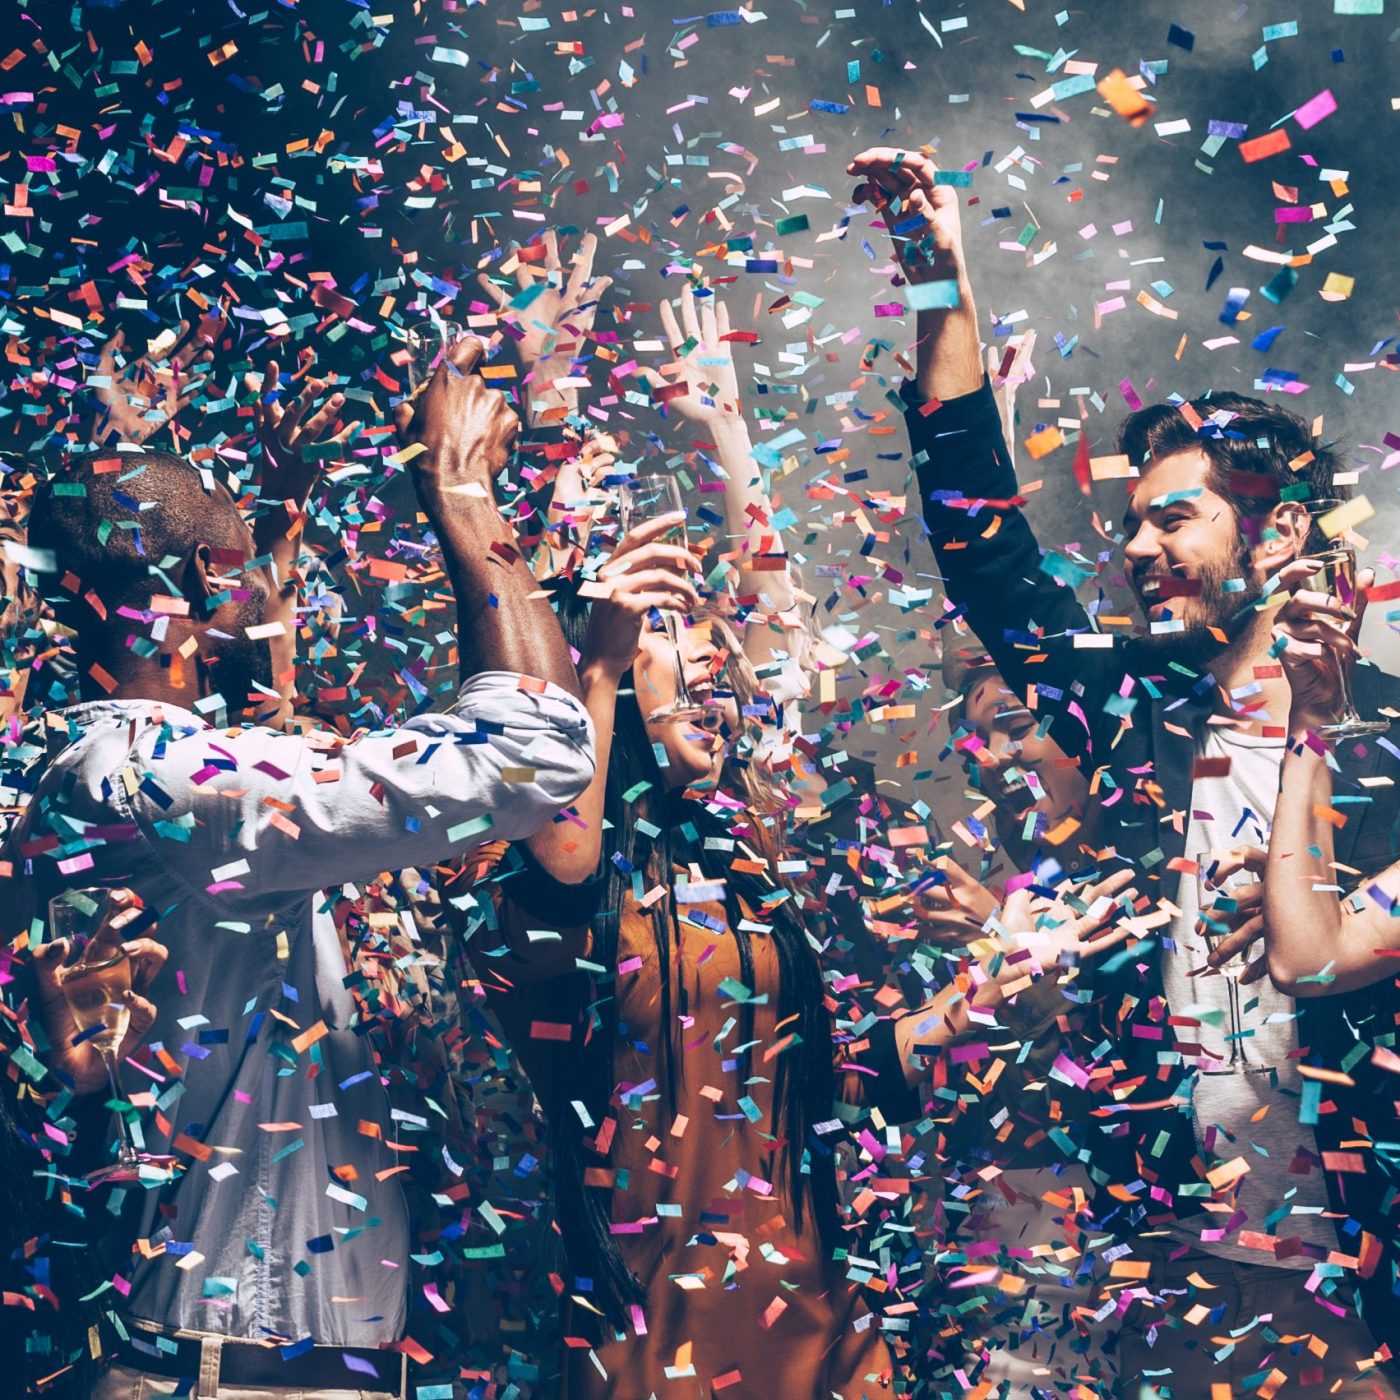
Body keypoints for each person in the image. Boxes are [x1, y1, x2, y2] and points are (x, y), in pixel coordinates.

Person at [846, 143, 1400, 1392]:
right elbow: (982, 551)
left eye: (1174, 517)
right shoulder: (1132, 702)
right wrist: (939, 285)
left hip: (1354, 1260)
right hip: (1167, 1244)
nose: (1137, 546)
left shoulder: (1383, 732)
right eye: (1133, 517)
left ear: (1282, 529)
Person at [453, 469, 1139, 1396]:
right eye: (661, 624)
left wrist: (969, 1001)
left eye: (702, 628)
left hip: (817, 1323)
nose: (705, 657)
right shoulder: (536, 866)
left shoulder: (735, 861)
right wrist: (602, 671)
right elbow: (562, 878)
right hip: (658, 1344)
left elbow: (803, 1088)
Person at [2, 337, 597, 1399]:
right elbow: (535, 752)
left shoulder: (83, 763)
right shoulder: (170, 782)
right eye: (246, 560)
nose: (271, 578)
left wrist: (275, 502)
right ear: (199, 580)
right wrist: (463, 499)